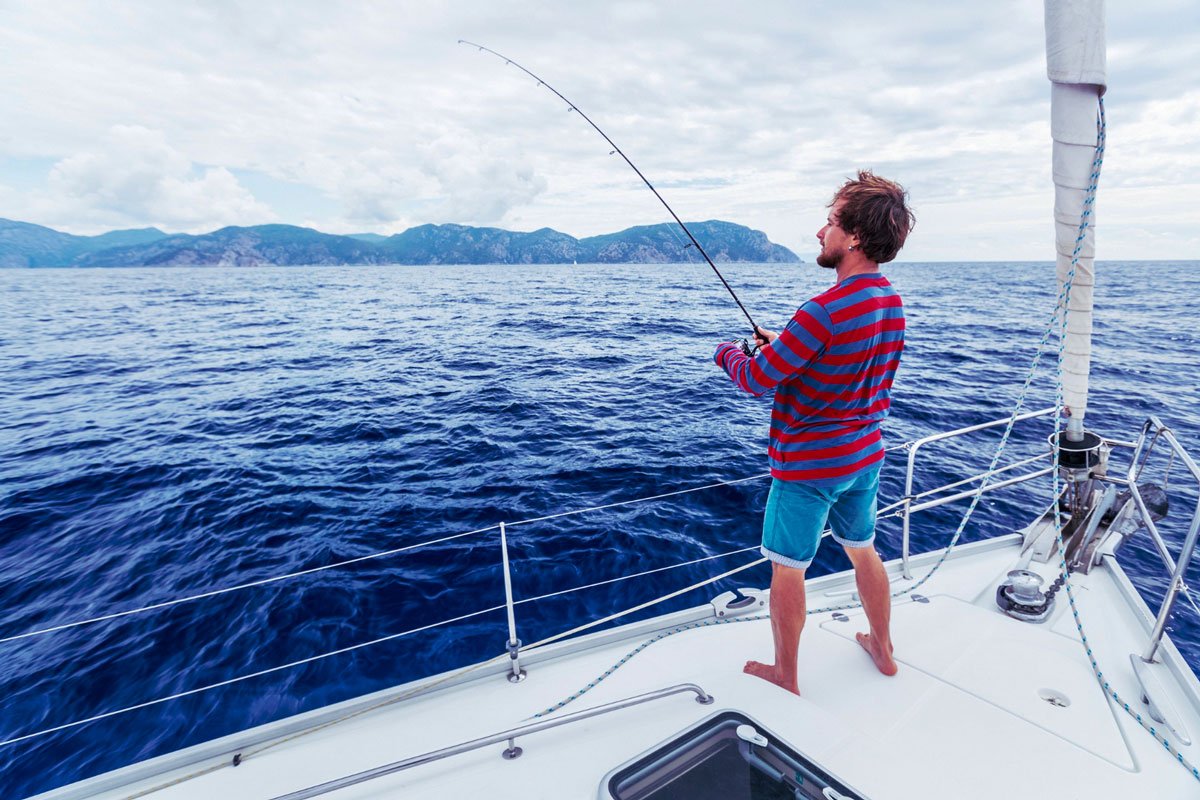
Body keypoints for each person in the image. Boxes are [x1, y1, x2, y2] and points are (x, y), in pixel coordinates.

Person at [713, 170, 914, 694]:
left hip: (808, 469)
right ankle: (885, 650)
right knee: (863, 550)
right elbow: (842, 359)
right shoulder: (889, 302)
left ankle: (786, 673)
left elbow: (758, 379)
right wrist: (786, 342)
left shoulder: (821, 312)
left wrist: (728, 354)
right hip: (864, 458)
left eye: (829, 222)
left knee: (787, 570)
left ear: (853, 237)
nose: (819, 233)